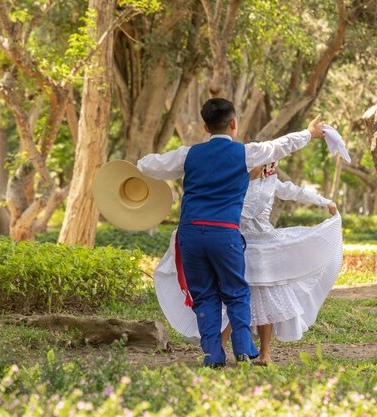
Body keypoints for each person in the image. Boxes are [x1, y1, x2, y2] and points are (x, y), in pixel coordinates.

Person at [137, 98, 324, 368]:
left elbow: (149, 165)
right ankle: (244, 348)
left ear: (205, 126)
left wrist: (140, 164)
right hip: (224, 234)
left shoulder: (187, 154)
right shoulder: (246, 153)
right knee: (236, 291)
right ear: (234, 123)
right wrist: (309, 133)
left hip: (190, 234)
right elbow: (282, 145)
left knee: (204, 295)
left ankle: (213, 355)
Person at [154, 162, 342, 365]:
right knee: (230, 298)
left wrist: (325, 202)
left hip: (264, 246)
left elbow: (296, 192)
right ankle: (219, 351)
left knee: (266, 300)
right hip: (236, 243)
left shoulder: (272, 182)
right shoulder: (234, 181)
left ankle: (265, 353)